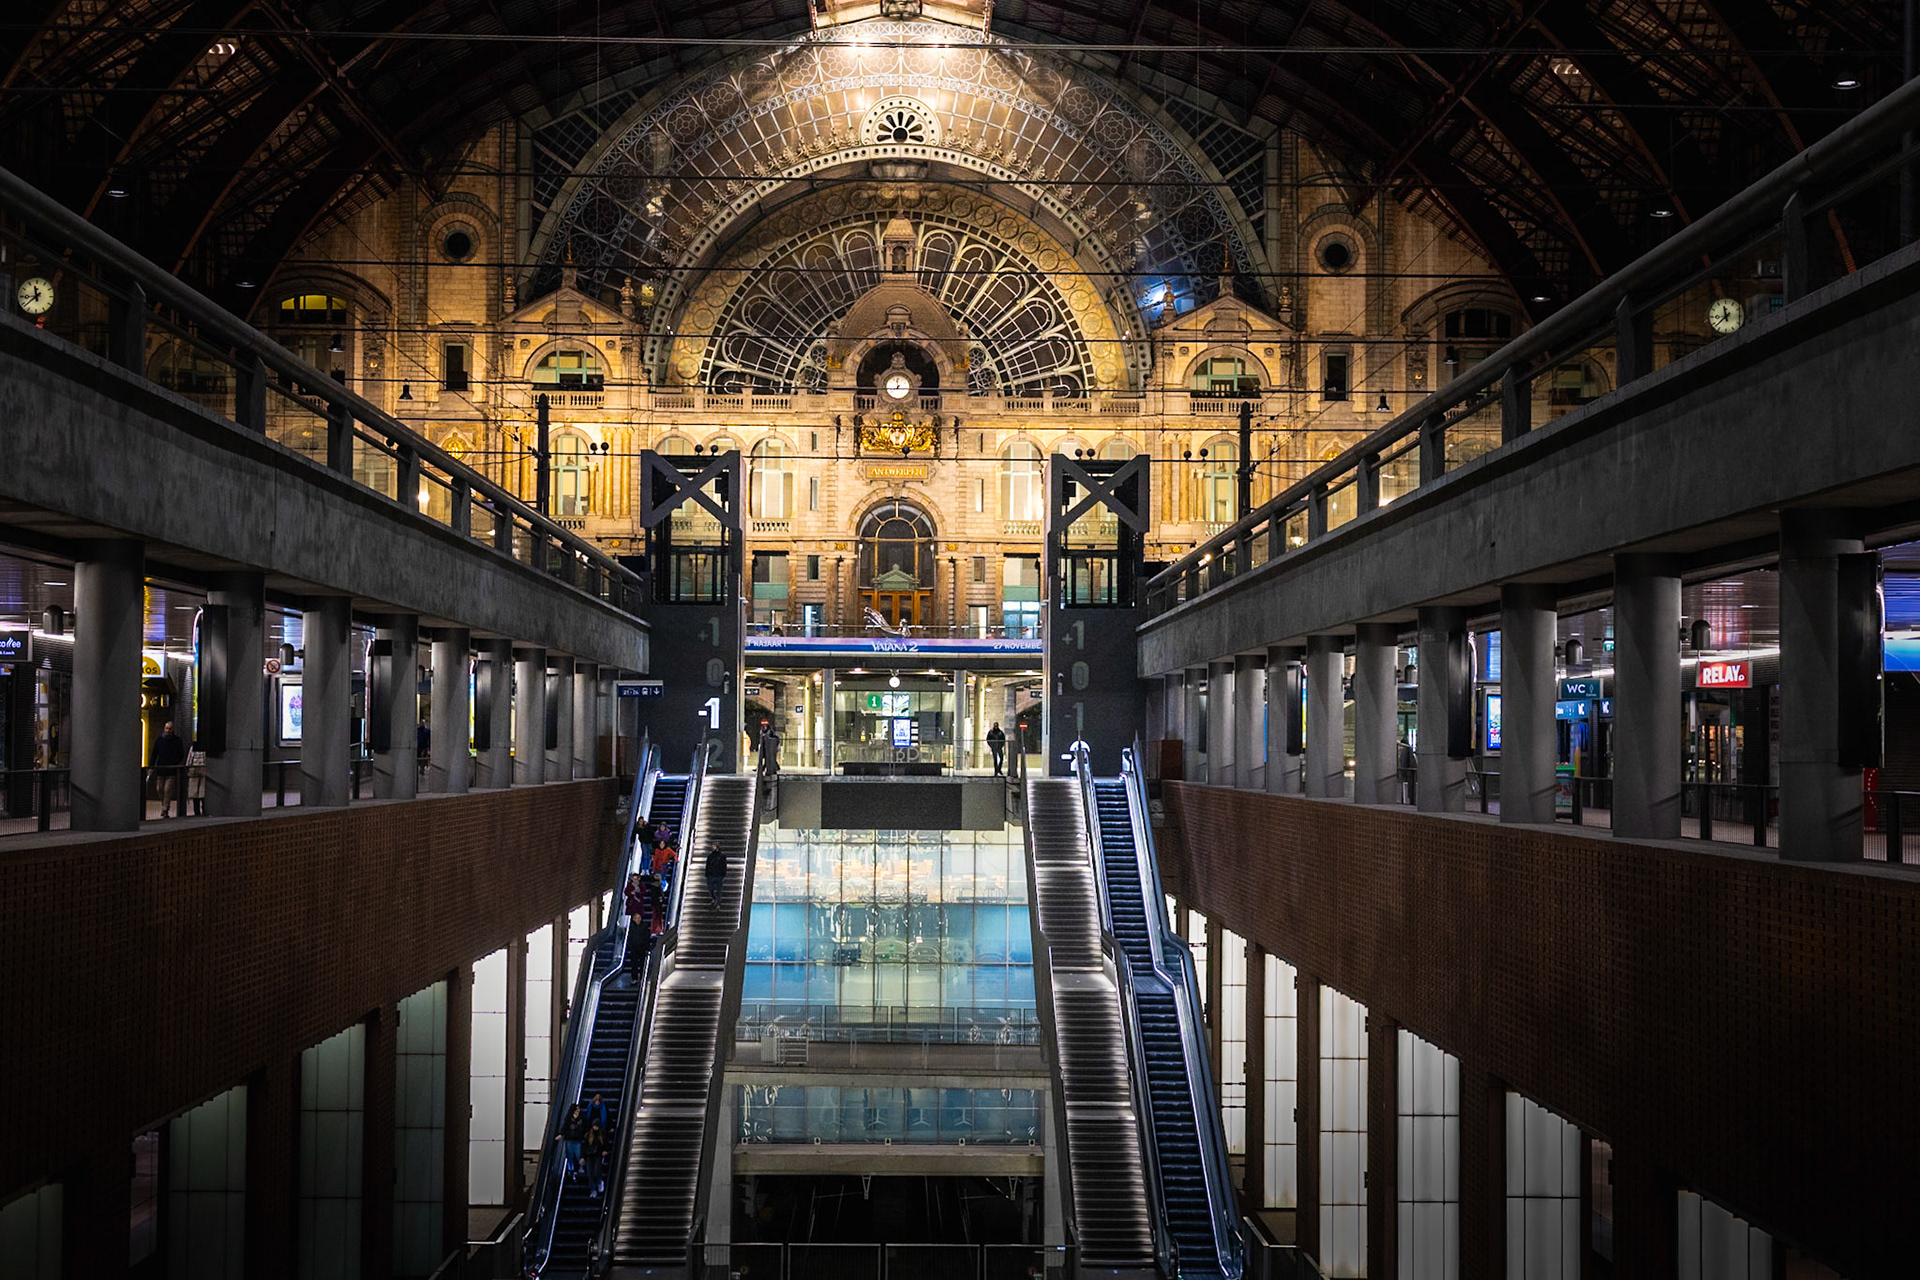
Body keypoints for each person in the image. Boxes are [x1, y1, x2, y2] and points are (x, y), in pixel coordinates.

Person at [151, 720, 187, 817]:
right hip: (161, 768)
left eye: (170, 729)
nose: (168, 730)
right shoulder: (159, 740)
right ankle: (164, 805)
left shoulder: (177, 741)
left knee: (167, 790)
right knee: (159, 789)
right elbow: (154, 754)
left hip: (171, 769)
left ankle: (165, 808)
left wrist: (174, 762)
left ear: (173, 730)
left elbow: (181, 754)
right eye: (166, 728)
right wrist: (151, 766)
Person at [624, 872, 648, 972]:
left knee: (640, 960)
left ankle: (641, 974)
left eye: (636, 878)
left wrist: (638, 892)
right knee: (634, 961)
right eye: (633, 878)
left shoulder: (641, 885)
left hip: (638, 905)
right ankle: (635, 976)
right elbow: (626, 892)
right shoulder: (630, 885)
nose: (634, 879)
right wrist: (631, 893)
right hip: (632, 905)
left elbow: (644, 892)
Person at [559, 1102, 588, 1182]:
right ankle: (570, 1170)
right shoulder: (569, 1118)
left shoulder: (582, 1118)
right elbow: (565, 1127)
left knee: (579, 1155)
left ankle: (581, 1167)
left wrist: (585, 1134)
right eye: (576, 1109)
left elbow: (585, 1127)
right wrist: (561, 1134)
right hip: (569, 1139)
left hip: (578, 1139)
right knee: (570, 1156)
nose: (578, 1111)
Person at [582, 1120, 608, 1199]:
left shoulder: (602, 1134)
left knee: (596, 1171)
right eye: (594, 1126)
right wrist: (583, 1156)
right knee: (590, 1173)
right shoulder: (588, 1135)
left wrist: (605, 1150)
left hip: (598, 1155)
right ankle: (593, 1189)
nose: (595, 1127)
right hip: (589, 1155)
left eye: (596, 1126)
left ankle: (599, 1181)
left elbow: (606, 1143)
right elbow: (584, 1146)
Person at [186, 741, 207, 816]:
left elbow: (189, 760)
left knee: (197, 792)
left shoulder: (193, 748)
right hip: (201, 771)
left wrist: (188, 768)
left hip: (194, 771)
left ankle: (198, 811)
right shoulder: (205, 749)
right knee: (199, 792)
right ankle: (200, 810)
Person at [705, 841, 728, 908]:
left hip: (718, 875)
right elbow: (708, 865)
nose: (712, 847)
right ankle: (714, 898)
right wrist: (707, 873)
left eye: (714, 846)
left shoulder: (722, 856)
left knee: (719, 890)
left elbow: (724, 866)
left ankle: (718, 902)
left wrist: (723, 874)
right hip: (711, 875)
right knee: (710, 889)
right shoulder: (710, 856)